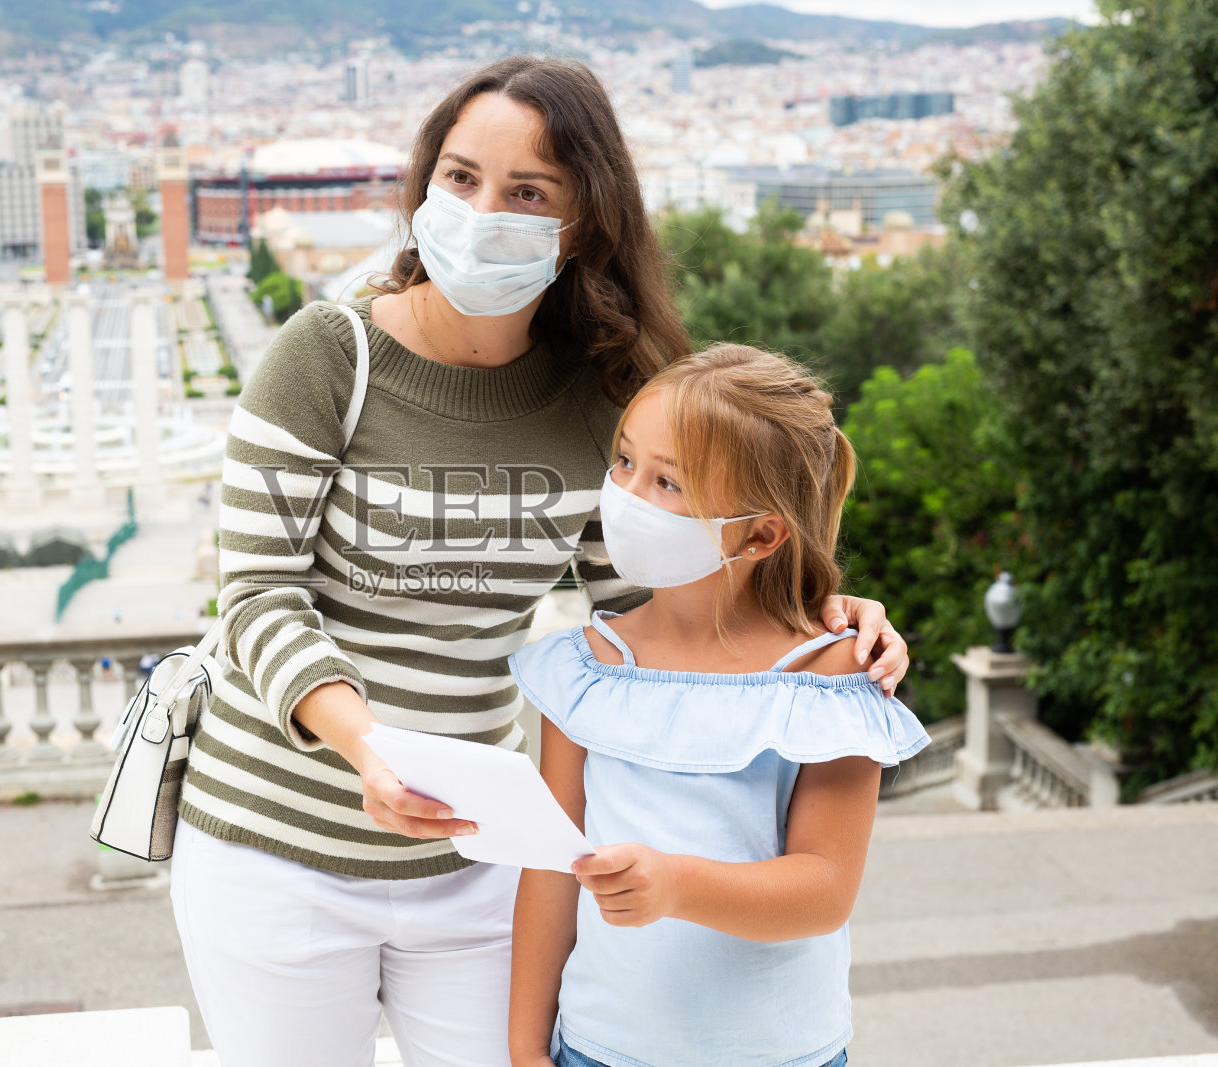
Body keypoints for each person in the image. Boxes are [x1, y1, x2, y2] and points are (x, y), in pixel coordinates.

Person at [170, 55, 913, 1067]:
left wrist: (818, 607)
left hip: (478, 853)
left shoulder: (603, 398)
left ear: (585, 223)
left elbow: (665, 604)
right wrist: (365, 747)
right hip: (276, 847)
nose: (481, 211)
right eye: (461, 176)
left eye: (528, 192)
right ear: (424, 181)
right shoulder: (327, 356)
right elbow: (256, 593)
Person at [507, 345, 930, 1067]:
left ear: (761, 533)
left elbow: (825, 889)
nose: (630, 494)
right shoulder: (587, 667)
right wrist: (524, 1047)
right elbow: (549, 869)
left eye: (668, 480)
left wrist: (675, 883)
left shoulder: (829, 676)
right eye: (625, 461)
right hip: (595, 1049)